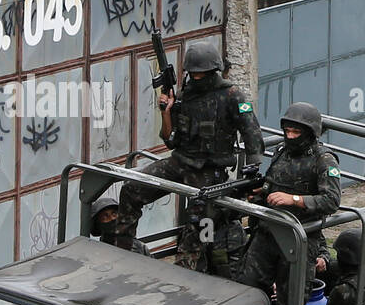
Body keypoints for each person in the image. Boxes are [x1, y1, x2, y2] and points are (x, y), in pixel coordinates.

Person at [113, 39, 264, 270]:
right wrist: (167, 111)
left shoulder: (232, 96)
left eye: (201, 74)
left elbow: (252, 133)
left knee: (199, 222)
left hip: (209, 169)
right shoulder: (186, 95)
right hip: (180, 161)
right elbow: (170, 139)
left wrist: (252, 170)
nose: (197, 78)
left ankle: (188, 272)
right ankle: (122, 253)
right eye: (193, 74)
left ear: (213, 71)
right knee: (131, 189)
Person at [239, 102, 341, 305]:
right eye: (287, 131)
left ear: (310, 132)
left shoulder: (324, 160)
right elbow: (273, 183)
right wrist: (260, 193)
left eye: (296, 132)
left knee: (291, 303)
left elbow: (331, 200)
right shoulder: (281, 151)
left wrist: (294, 199)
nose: (291, 136)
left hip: (298, 238)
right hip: (268, 232)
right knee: (248, 289)